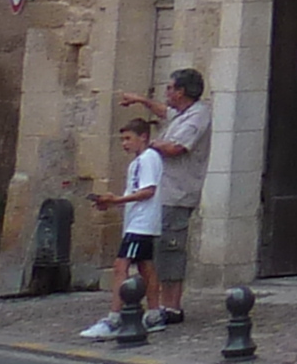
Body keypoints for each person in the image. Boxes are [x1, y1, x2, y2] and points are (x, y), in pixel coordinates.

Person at [111, 69, 208, 326]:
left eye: (170, 88)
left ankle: (171, 307)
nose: (166, 93)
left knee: (170, 249)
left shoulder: (198, 116)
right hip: (163, 195)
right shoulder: (182, 113)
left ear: (181, 92)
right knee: (156, 251)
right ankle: (157, 305)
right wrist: (140, 101)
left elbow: (176, 147)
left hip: (177, 193)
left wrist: (145, 143)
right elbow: (164, 112)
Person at [81, 111, 162, 340]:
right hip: (138, 222)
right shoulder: (139, 162)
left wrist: (116, 200)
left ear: (143, 137)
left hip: (141, 224)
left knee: (120, 266)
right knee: (145, 266)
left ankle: (114, 317)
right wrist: (113, 202)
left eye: (128, 139)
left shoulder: (148, 159)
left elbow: (148, 191)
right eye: (123, 140)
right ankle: (155, 314)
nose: (125, 144)